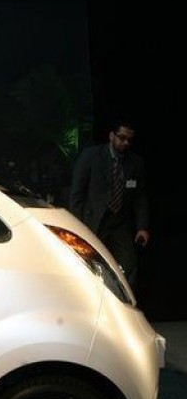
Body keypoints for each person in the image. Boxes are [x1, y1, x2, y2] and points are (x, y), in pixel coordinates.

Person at [69, 118, 150, 290]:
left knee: (129, 263)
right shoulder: (91, 156)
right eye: (121, 137)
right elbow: (77, 193)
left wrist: (142, 227)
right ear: (111, 136)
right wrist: (77, 225)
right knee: (89, 263)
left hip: (120, 222)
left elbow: (139, 197)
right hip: (94, 220)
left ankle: (123, 300)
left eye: (129, 140)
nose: (125, 142)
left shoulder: (135, 163)